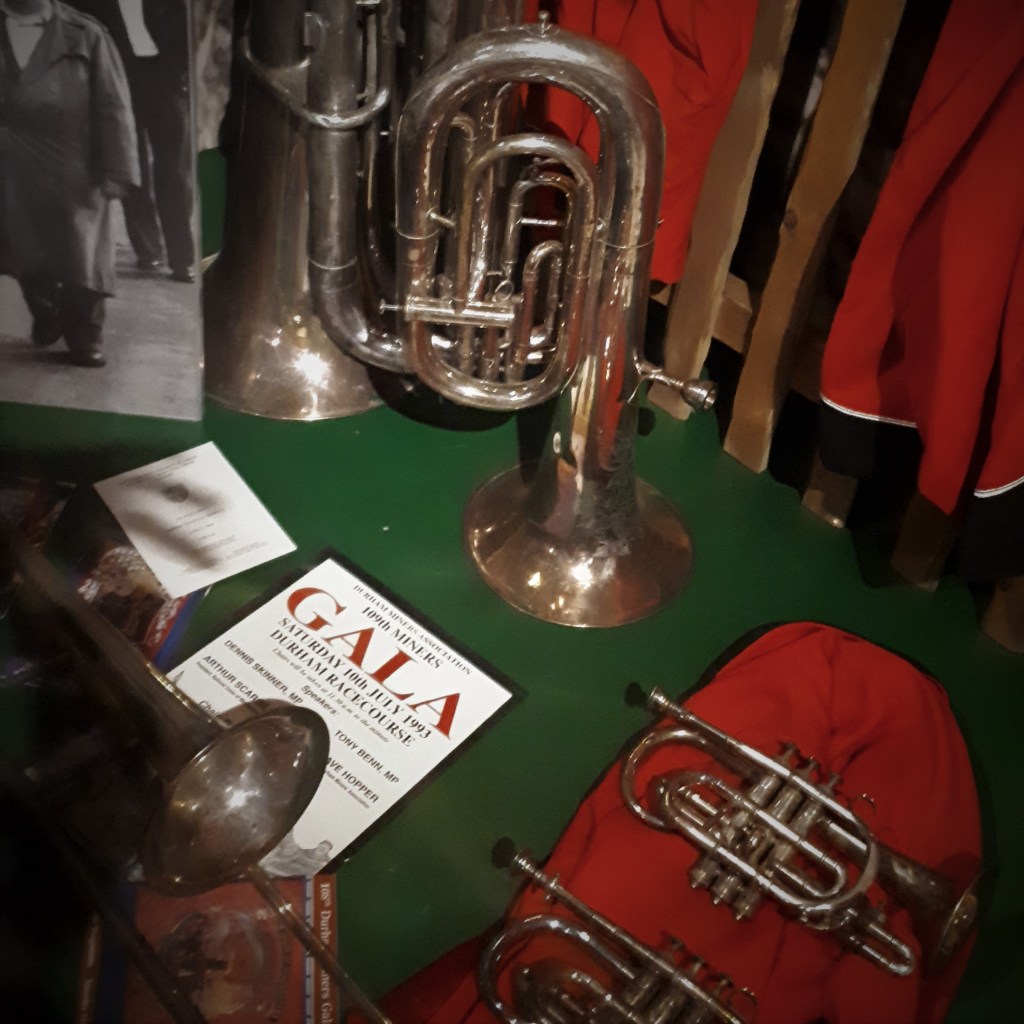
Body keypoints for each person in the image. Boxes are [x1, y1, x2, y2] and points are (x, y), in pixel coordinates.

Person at [0, 0, 139, 367]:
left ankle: (85, 335)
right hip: (11, 167)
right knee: (23, 248)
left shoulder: (86, 33)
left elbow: (113, 103)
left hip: (75, 166)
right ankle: (47, 310)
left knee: (84, 255)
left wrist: (119, 168)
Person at [75, 0, 197, 283]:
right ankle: (148, 250)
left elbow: (187, 30)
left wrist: (182, 74)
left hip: (165, 79)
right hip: (119, 80)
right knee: (132, 163)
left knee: (176, 170)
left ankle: (182, 258)